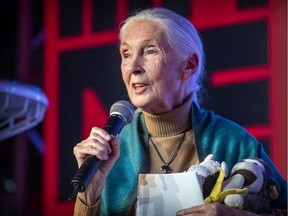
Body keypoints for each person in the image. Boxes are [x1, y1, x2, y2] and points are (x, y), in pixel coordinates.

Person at [73, 7, 287, 215]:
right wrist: (90, 195)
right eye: (126, 54)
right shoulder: (109, 152)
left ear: (189, 65)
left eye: (150, 51)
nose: (132, 67)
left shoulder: (232, 141)